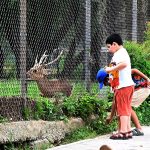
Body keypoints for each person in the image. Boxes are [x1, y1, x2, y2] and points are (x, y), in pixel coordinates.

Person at [104, 33, 135, 140]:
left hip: (123, 86)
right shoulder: (121, 53)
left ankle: (122, 132)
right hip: (126, 85)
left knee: (122, 109)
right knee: (126, 108)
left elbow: (124, 64)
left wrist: (110, 70)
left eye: (109, 47)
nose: (108, 49)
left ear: (114, 44)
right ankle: (127, 130)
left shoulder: (120, 53)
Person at [105, 68, 150, 136]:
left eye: (105, 83)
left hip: (143, 88)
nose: (107, 85)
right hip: (137, 89)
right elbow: (115, 101)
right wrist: (111, 116)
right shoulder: (115, 81)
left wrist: (147, 79)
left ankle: (138, 129)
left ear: (108, 78)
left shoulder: (118, 75)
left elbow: (134, 70)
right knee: (123, 104)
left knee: (125, 105)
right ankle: (125, 129)